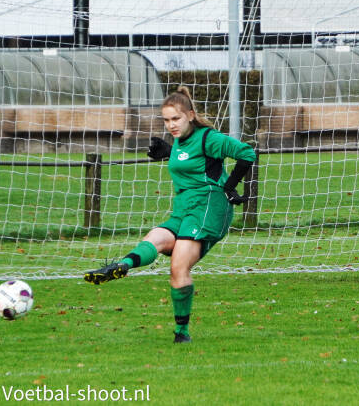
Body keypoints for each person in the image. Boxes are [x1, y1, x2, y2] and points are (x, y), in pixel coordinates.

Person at [84, 86, 256, 344]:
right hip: (184, 207)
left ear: (191, 115)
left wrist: (230, 186)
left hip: (209, 207)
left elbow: (247, 153)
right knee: (155, 238)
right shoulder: (180, 142)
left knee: (178, 266)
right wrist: (168, 151)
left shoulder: (209, 138)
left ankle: (181, 333)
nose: (171, 125)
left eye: (176, 118)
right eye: (166, 120)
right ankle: (121, 266)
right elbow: (190, 160)